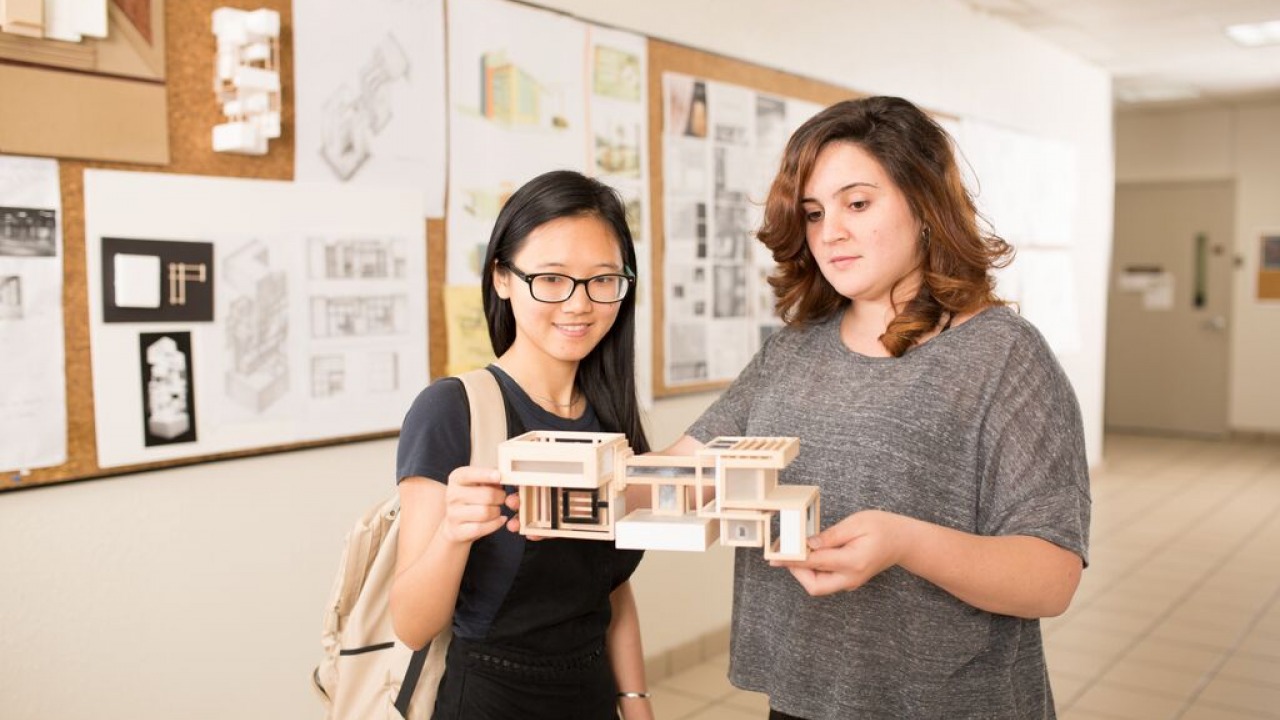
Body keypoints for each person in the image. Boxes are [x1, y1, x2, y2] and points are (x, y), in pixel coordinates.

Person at [664, 96, 1091, 719]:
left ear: (924, 204)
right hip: (803, 700)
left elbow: (1052, 578)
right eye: (813, 213)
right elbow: (686, 469)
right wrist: (560, 479)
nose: (829, 232)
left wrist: (903, 542)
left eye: (857, 204)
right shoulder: (794, 348)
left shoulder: (1002, 355)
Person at [390, 170, 654, 720]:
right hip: (489, 700)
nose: (579, 304)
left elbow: (608, 587)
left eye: (602, 279)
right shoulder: (451, 410)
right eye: (551, 279)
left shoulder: (612, 416)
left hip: (592, 695)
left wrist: (635, 699)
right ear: (503, 278)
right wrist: (453, 533)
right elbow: (411, 624)